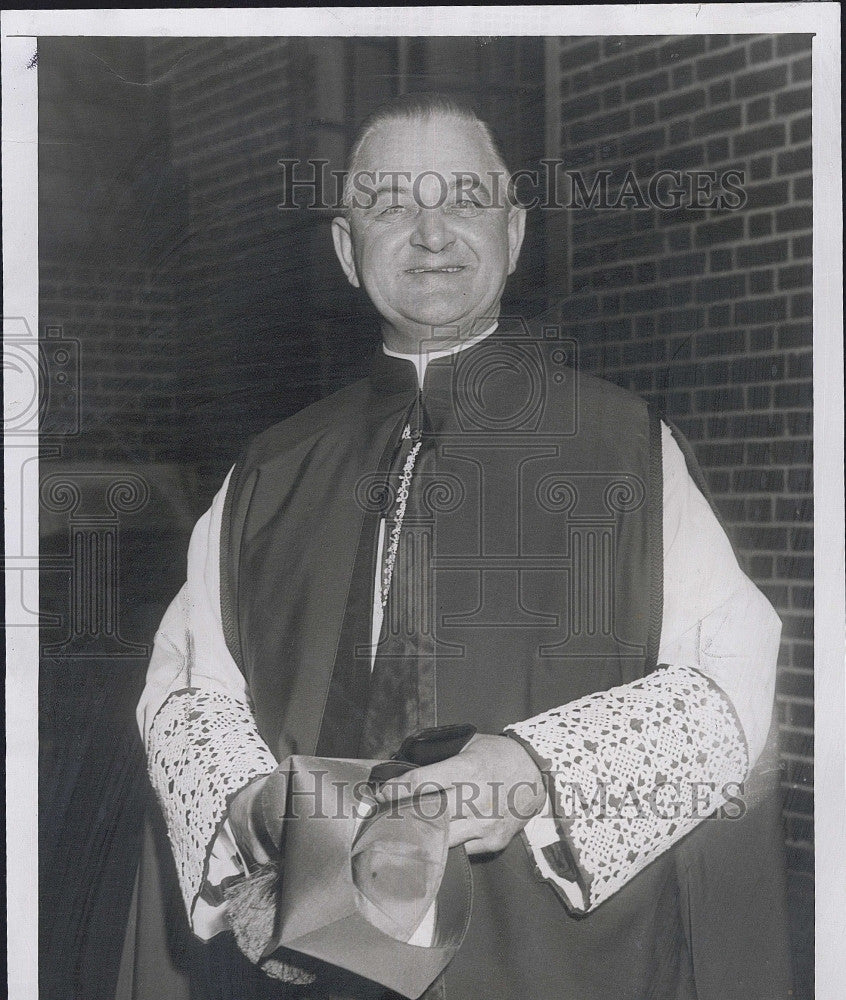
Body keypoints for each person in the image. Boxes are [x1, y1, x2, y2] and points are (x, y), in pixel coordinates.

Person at [136, 93, 792, 1000]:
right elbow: (188, 683)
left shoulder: (624, 446)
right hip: (321, 952)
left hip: (551, 950)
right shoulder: (268, 469)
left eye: (466, 201)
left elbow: (730, 675)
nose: (432, 233)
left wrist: (533, 770)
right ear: (344, 246)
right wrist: (253, 804)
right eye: (393, 203)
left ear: (515, 233)